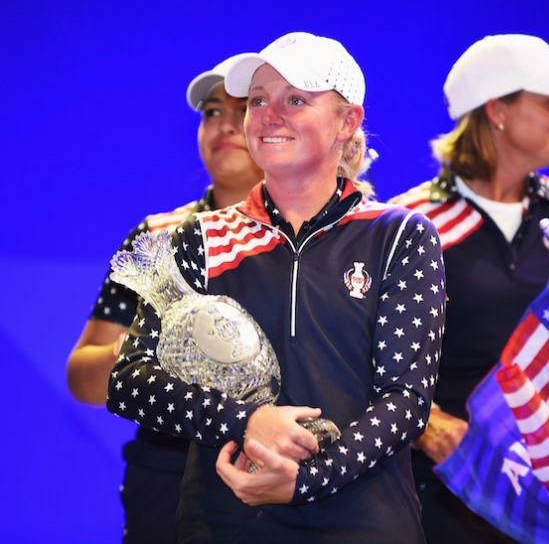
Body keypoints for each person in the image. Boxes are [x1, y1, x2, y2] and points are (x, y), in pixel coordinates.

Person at [106, 31, 446, 544]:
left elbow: (405, 401)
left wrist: (304, 481)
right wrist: (246, 422)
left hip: (365, 525)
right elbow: (128, 383)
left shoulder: (400, 235)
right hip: (225, 523)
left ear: (347, 121)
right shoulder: (199, 236)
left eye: (295, 100)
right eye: (258, 100)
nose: (269, 114)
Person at [391, 34, 549, 543]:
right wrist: (427, 425)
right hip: (445, 498)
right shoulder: (409, 224)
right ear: (497, 111)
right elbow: (363, 358)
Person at [66, 55, 264, 543]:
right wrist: (149, 350)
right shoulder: (156, 237)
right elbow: (84, 378)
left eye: (242, 109)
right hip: (170, 477)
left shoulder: (323, 234)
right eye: (212, 112)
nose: (223, 125)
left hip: (287, 470)